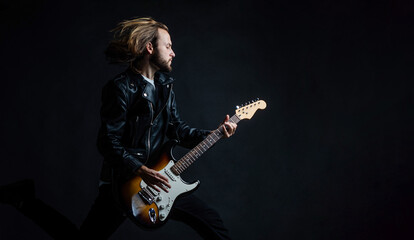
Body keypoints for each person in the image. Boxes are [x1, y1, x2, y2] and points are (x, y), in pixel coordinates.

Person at [0, 17, 237, 240]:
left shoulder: (166, 86)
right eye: (168, 46)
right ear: (149, 48)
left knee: (210, 221)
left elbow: (177, 130)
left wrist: (215, 133)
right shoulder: (120, 88)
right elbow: (107, 141)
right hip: (124, 183)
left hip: (161, 180)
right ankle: (25, 201)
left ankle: (23, 199)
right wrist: (140, 170)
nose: (173, 52)